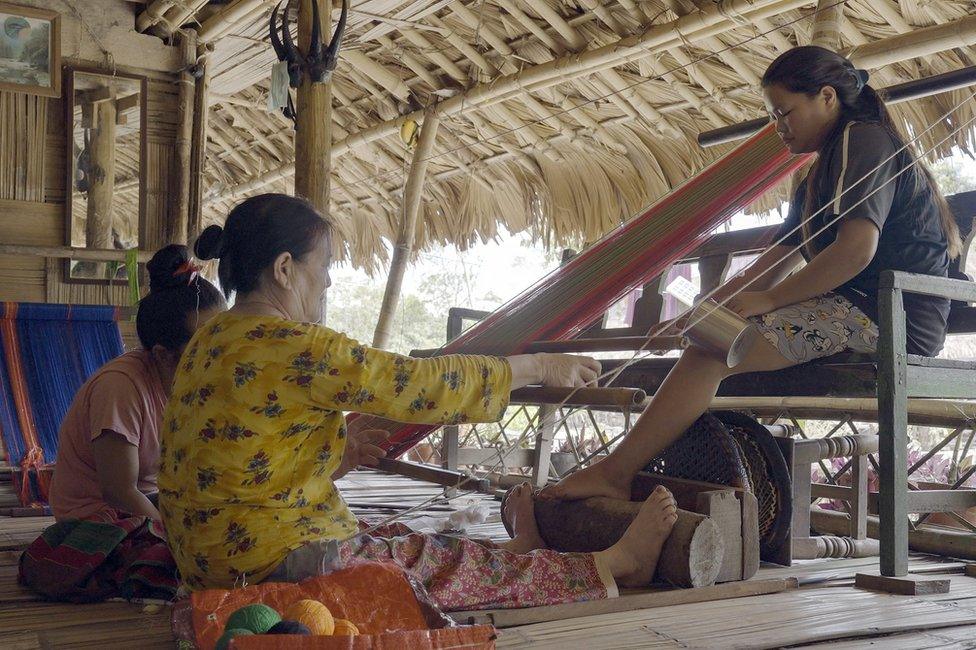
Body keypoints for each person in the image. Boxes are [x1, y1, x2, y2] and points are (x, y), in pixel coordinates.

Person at [158, 193, 679, 610]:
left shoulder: (211, 338)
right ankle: (614, 565)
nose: (331, 279)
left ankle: (519, 552)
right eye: (327, 264)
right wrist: (538, 368)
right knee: (432, 566)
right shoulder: (296, 345)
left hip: (210, 561)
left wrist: (333, 458)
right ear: (285, 268)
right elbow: (418, 385)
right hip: (271, 563)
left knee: (407, 543)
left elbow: (241, 461)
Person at [544, 45, 963, 503]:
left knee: (713, 353)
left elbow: (855, 253)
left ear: (827, 97)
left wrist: (768, 301)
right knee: (708, 342)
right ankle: (703, 493)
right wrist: (701, 313)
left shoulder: (863, 139)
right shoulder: (817, 174)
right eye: (773, 116)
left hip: (892, 318)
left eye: (785, 112)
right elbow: (775, 259)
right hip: (860, 310)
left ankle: (617, 474)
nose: (779, 127)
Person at [49, 245, 226, 522]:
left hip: (150, 501)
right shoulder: (120, 388)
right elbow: (119, 492)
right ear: (162, 354)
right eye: (204, 345)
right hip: (98, 520)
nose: (220, 354)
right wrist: (177, 540)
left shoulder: (197, 385)